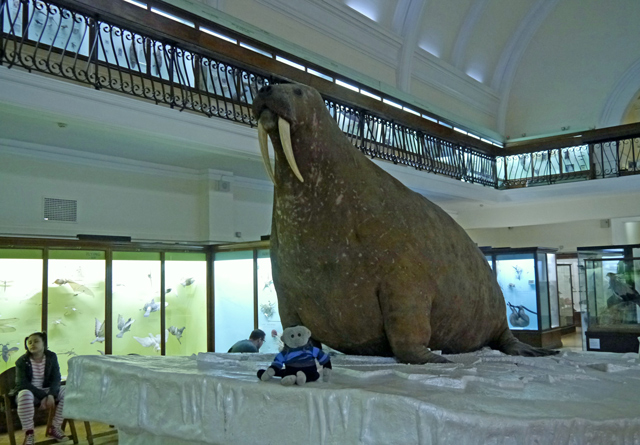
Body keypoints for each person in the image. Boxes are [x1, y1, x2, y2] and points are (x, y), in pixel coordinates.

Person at [10, 332, 67, 445]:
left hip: (47, 391)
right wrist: (44, 396)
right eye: (29, 342)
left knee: (68, 391)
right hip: (29, 393)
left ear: (43, 343)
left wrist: (51, 394)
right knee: (24, 394)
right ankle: (29, 433)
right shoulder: (22, 361)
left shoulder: (51, 356)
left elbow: (56, 378)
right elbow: (22, 384)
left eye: (36, 341)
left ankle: (54, 428)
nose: (32, 344)